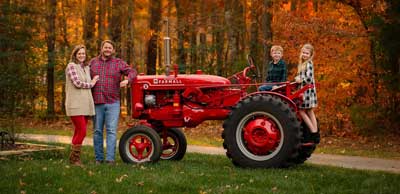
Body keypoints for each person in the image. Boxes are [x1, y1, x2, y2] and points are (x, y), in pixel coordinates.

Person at [90, 40, 137, 164]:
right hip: (97, 102)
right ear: (101, 48)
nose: (107, 50)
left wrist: (127, 80)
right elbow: (84, 76)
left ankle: (110, 159)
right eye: (105, 47)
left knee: (111, 131)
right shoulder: (93, 63)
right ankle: (98, 159)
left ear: (113, 50)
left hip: (113, 103)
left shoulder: (118, 63)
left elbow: (132, 72)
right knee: (97, 131)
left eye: (110, 48)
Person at [65, 45, 99, 166]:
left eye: (83, 54)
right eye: (79, 53)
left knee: (78, 131)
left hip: (84, 105)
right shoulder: (71, 66)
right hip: (75, 104)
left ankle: (73, 158)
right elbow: (77, 83)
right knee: (82, 132)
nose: (81, 55)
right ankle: (75, 159)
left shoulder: (85, 68)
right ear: (75, 55)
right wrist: (93, 82)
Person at [295, 43, 319, 143]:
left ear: (310, 55)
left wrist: (300, 79)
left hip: (307, 91)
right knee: (309, 111)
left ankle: (313, 132)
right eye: (303, 52)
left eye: (307, 53)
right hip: (306, 90)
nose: (304, 54)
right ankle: (315, 134)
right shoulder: (302, 64)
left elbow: (308, 78)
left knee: (301, 110)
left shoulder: (308, 64)